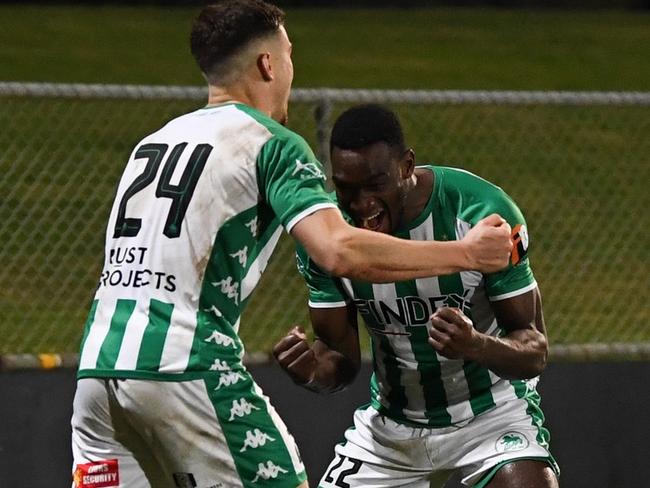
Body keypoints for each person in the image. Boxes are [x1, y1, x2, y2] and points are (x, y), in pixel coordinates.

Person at [70, 2, 514, 488]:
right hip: (185, 364)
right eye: (288, 56)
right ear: (267, 65)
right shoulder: (271, 142)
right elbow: (338, 249)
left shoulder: (152, 143)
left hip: (98, 368)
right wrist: (467, 253)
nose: (290, 71)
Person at [274, 104, 560, 488]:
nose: (361, 206)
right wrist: (312, 371)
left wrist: (476, 345)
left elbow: (534, 351)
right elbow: (339, 359)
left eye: (375, 186)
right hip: (392, 430)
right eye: (346, 189)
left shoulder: (480, 213)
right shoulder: (326, 236)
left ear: (406, 166)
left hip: (491, 417)